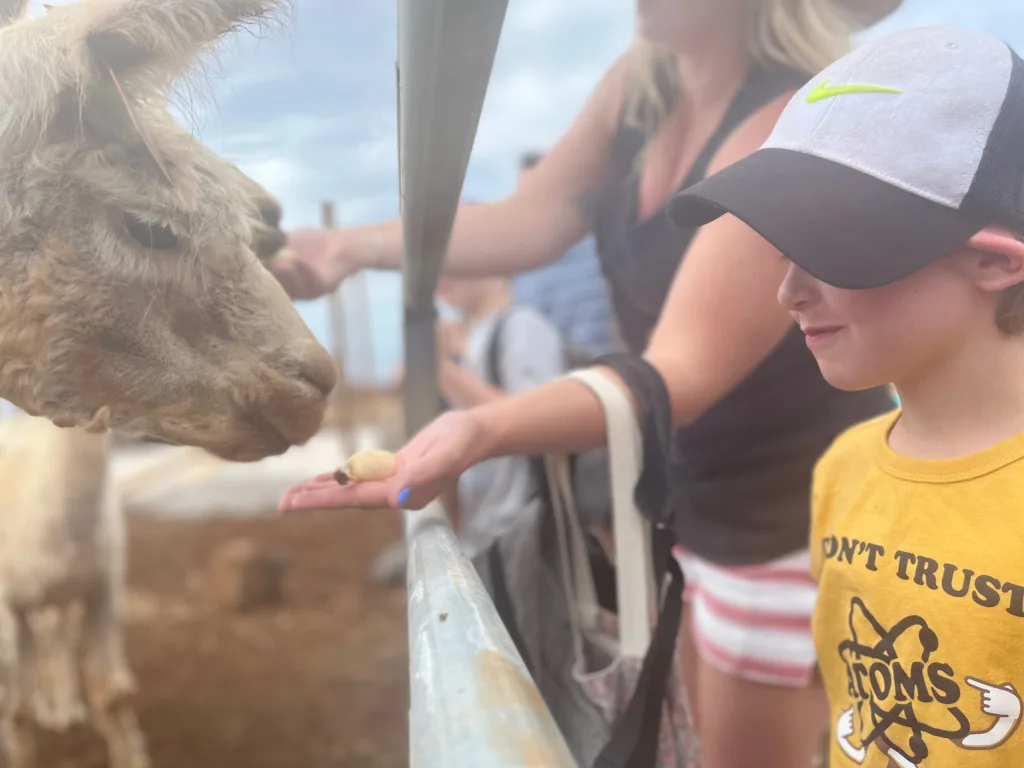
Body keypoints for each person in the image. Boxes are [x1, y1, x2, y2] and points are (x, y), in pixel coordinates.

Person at [274, 1, 902, 765]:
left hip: (784, 520)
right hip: (688, 506)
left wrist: (483, 428)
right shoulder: (638, 86)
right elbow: (534, 218)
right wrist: (348, 248)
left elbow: (684, 369)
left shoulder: (790, 116)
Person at [667, 24, 1024, 766]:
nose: (788, 292)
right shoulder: (843, 470)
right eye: (781, 248)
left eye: (828, 243)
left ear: (993, 261)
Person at [433, 274, 567, 557]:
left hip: (525, 541)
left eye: (454, 255)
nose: (441, 273)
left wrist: (441, 369)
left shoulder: (523, 327)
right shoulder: (467, 343)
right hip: (483, 538)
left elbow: (542, 425)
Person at [510, 150, 616, 357]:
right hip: (562, 375)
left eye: (534, 192)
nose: (528, 205)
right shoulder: (520, 271)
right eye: (521, 196)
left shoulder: (601, 244)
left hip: (617, 367)